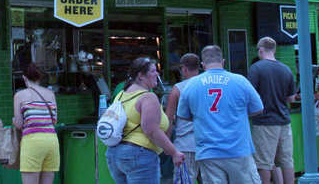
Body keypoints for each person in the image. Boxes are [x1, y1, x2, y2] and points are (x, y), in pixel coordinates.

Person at [177, 45, 263, 184]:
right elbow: (258, 109)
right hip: (238, 149)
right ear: (223, 62)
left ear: (203, 65)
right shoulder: (240, 81)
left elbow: (184, 116)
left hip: (208, 151)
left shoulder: (191, 85)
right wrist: (236, 114)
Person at [105, 57, 184, 184]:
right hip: (139, 155)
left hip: (116, 154)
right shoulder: (148, 97)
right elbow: (151, 130)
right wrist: (174, 152)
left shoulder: (121, 94)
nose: (157, 74)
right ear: (141, 76)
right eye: (153, 71)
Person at [248, 37, 296, 184]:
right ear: (274, 50)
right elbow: (291, 99)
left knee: (263, 163)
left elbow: (249, 96)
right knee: (287, 161)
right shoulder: (286, 69)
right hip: (284, 121)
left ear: (260, 50)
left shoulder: (256, 69)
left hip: (264, 122)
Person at [13, 62, 59, 184]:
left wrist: (14, 121)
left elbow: (18, 124)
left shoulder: (19, 95)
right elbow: (54, 120)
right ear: (39, 77)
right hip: (52, 141)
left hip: (33, 142)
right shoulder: (50, 94)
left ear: (24, 78)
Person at [165, 53, 200, 184]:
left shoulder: (178, 89)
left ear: (184, 69)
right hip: (209, 143)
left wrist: (167, 143)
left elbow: (169, 118)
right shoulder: (208, 85)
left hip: (186, 144)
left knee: (184, 180)